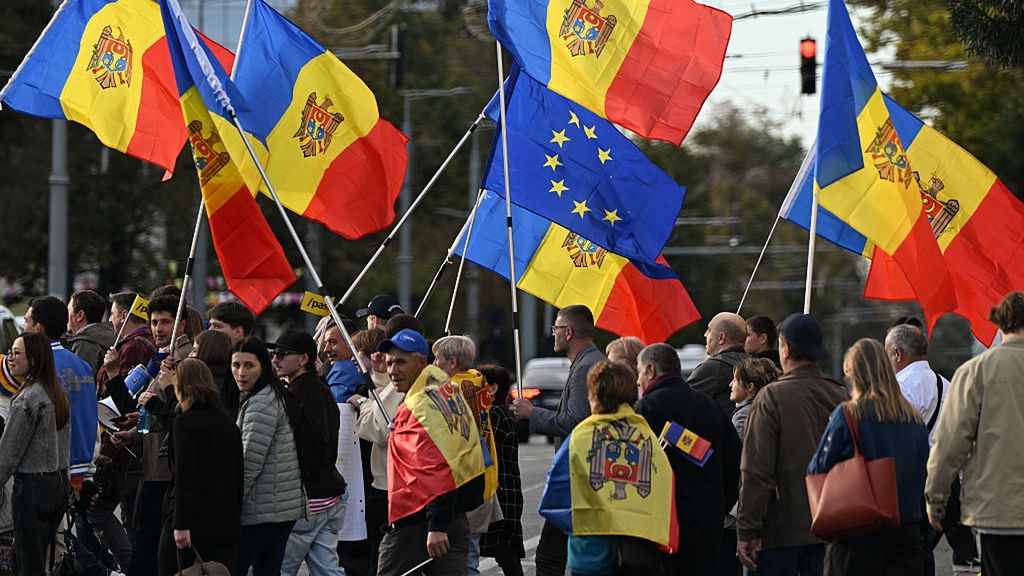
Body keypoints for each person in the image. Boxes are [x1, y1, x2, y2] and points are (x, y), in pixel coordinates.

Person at [539, 360, 677, 576]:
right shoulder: (648, 438)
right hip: (640, 554)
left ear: (594, 395)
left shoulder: (580, 437)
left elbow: (554, 497)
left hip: (590, 554)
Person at [736, 313, 848, 576]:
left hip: (780, 532)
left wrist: (747, 529)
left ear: (784, 348)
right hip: (833, 526)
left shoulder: (771, 398)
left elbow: (756, 470)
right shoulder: (841, 396)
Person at [808, 338, 929, 575]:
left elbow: (817, 468)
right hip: (907, 534)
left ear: (854, 375)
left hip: (857, 533)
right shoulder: (915, 419)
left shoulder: (848, 415)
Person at [926, 291, 1024, 576]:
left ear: (999, 324)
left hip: (996, 511)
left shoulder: (974, 373)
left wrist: (935, 498)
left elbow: (950, 444)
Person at [376, 329, 485, 576]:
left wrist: (436, 525)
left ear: (422, 362)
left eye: (402, 362)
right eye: (390, 362)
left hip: (419, 517)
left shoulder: (420, 406)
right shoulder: (445, 391)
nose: (393, 370)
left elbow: (436, 469)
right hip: (453, 513)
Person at [510, 305, 604, 576]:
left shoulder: (586, 366)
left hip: (577, 477)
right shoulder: (588, 361)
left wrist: (532, 413)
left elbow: (576, 423)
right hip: (582, 475)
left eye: (556, 328)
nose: (553, 334)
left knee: (550, 556)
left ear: (569, 332)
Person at [634, 343, 742, 575]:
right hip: (708, 523)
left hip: (664, 526)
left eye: (639, 372)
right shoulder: (710, 406)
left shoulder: (646, 409)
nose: (638, 381)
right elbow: (736, 461)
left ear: (651, 370)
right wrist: (719, 506)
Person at [884, 323, 979, 573]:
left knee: (913, 555)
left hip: (914, 484)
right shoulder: (947, 385)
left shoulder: (899, 388)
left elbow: (894, 440)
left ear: (897, 353)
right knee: (924, 550)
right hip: (950, 482)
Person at [270, 330, 348, 576]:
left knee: (278, 569)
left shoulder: (297, 395)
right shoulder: (321, 389)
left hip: (307, 500)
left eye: (282, 354)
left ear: (303, 359)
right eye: (274, 354)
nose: (275, 360)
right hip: (330, 495)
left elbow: (307, 448)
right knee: (327, 568)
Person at [156, 359, 242, 576]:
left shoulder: (185, 422)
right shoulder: (228, 423)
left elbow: (185, 475)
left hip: (191, 518)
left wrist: (180, 523)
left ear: (180, 385)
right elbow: (238, 475)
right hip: (224, 520)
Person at [232, 337, 305, 575]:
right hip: (278, 507)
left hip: (263, 509)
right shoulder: (267, 395)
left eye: (248, 365)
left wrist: (229, 504)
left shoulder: (261, 402)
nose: (241, 372)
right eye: (236, 365)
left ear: (263, 367)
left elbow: (249, 462)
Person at [0, 332, 72, 576]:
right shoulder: (57, 393)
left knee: (27, 563)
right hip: (59, 482)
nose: (10, 358)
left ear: (33, 358)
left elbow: (7, 454)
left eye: (16, 353)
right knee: (43, 559)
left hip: (32, 487)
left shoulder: (27, 399)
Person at [432, 335, 502, 576]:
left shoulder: (451, 389)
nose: (434, 363)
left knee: (465, 557)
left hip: (465, 477)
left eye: (437, 358)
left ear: (451, 362)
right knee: (470, 550)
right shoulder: (477, 380)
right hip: (485, 475)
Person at [23, 295, 98, 488]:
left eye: (26, 321)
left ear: (38, 328)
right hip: (84, 464)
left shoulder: (42, 367)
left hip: (54, 469)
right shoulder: (82, 365)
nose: (23, 328)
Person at [349, 326, 401, 574]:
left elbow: (377, 428)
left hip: (391, 485)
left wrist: (362, 405)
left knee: (387, 560)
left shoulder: (404, 389)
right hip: (384, 484)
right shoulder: (381, 385)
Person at [477, 365, 525, 576]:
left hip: (502, 491)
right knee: (503, 548)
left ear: (493, 389)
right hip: (505, 489)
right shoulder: (497, 413)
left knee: (503, 547)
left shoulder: (495, 414)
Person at [688, 312, 749, 417]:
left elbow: (682, 402)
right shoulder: (755, 364)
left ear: (721, 337)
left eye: (709, 330)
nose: (705, 334)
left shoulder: (713, 368)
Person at [730, 357, 782, 441]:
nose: (730, 384)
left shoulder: (743, 415)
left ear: (750, 387)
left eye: (735, 380)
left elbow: (740, 451)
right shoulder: (771, 410)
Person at [66, 290, 116, 375]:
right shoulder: (112, 337)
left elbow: (79, 381)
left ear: (80, 315)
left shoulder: (84, 343)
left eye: (68, 311)